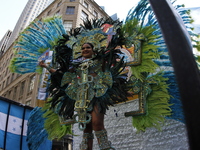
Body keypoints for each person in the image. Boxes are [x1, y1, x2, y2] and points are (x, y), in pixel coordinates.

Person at [39, 43, 115, 150]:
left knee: (97, 123)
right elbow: (62, 75)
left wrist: (103, 85)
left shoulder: (100, 61)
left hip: (97, 94)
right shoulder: (76, 65)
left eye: (88, 47)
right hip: (81, 97)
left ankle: (105, 148)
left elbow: (107, 74)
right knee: (86, 127)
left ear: (93, 50)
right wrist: (46, 66)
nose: (85, 49)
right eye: (83, 48)